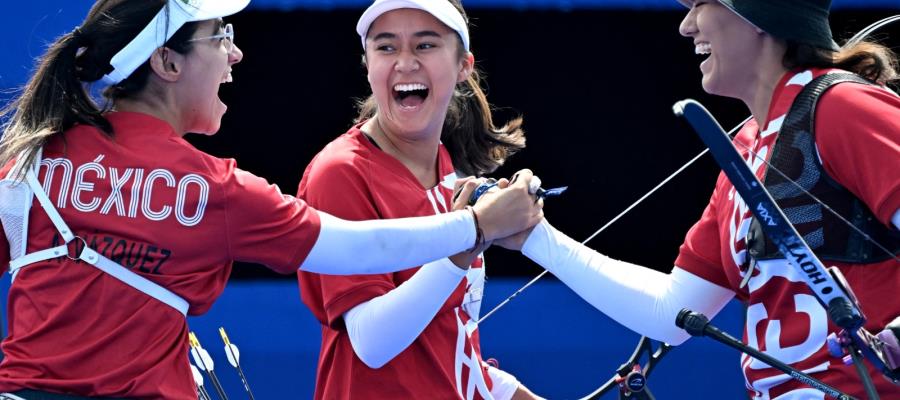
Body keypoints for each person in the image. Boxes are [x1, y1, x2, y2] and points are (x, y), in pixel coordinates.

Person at [0, 0, 544, 398]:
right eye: (220, 35)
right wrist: (474, 227)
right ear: (167, 62)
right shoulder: (217, 189)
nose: (235, 53)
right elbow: (356, 249)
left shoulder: (28, 163)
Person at [496, 0, 900, 399]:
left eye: (701, 4)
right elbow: (673, 313)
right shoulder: (746, 150)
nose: (686, 26)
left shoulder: (843, 107)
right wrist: (533, 237)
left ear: (758, 15)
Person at [296, 0, 543, 398]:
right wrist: (474, 233)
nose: (405, 63)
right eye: (386, 46)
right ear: (367, 63)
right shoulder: (339, 173)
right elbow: (372, 343)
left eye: (425, 45)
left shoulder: (446, 167)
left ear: (464, 65)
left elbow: (450, 347)